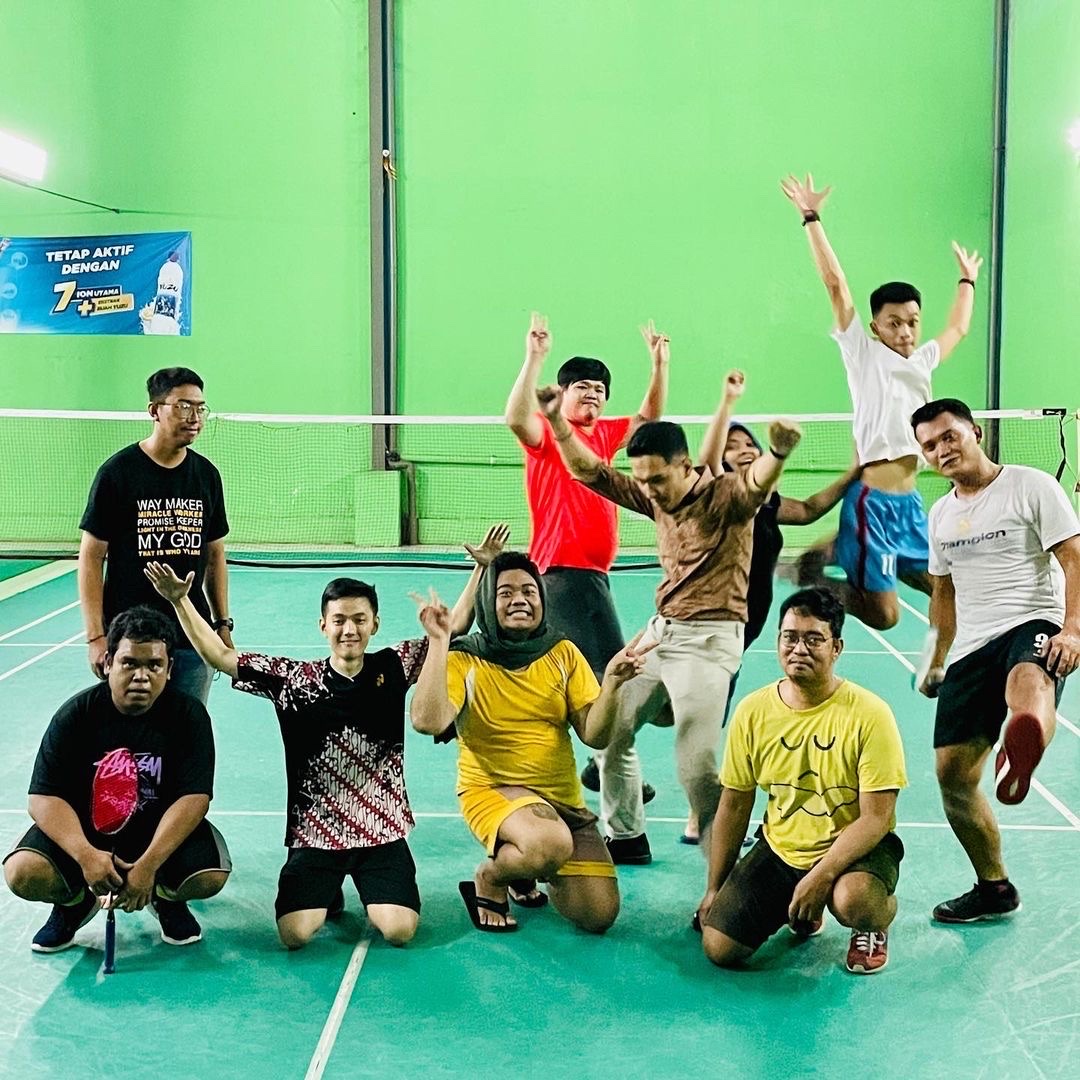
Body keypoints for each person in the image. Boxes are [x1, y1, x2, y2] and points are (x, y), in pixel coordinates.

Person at [144, 527, 506, 949]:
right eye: (339, 620)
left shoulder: (394, 665)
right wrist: (180, 601)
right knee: (295, 935)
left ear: (375, 624)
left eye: (359, 620)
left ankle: (363, 888)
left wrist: (481, 569)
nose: (349, 629)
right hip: (316, 834)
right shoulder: (294, 680)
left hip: (381, 830)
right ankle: (326, 889)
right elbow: (220, 656)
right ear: (323, 626)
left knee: (399, 931)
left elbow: (452, 626)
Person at [541, 381, 801, 863]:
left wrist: (780, 452)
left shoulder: (725, 498)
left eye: (657, 479)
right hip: (663, 631)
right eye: (641, 479)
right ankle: (627, 837)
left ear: (686, 466)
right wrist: (557, 420)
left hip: (710, 641)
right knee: (609, 730)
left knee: (696, 766)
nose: (648, 489)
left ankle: (726, 869)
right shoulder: (655, 494)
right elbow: (589, 470)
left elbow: (756, 483)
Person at [410, 551, 654, 932]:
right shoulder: (466, 658)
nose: (519, 599)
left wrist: (612, 684)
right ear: (487, 603)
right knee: (548, 843)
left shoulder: (562, 652)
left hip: (561, 801)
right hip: (494, 790)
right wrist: (439, 642)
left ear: (542, 599)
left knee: (599, 914)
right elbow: (427, 721)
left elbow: (595, 734)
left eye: (529, 591)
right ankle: (492, 876)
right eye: (505, 593)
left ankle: (524, 868)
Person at [781, 173, 983, 630]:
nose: (905, 331)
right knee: (885, 617)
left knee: (946, 588)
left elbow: (958, 328)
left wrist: (967, 280)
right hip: (871, 502)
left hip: (909, 503)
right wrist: (811, 217)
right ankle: (818, 577)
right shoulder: (862, 353)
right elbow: (835, 284)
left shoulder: (923, 360)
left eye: (912, 321)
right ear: (875, 327)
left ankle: (843, 550)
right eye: (894, 323)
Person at [912, 398, 1080, 922]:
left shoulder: (1031, 486)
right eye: (929, 446)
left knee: (1028, 680)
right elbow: (943, 593)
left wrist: (1074, 629)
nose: (942, 450)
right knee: (952, 776)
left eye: (949, 436)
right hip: (971, 645)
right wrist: (935, 657)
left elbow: (1073, 557)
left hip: (1034, 619)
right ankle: (994, 888)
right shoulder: (940, 514)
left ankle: (1021, 744)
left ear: (975, 432)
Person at [679, 372, 861, 844]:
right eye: (732, 444)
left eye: (749, 444)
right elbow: (706, 463)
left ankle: (624, 753)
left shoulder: (766, 501)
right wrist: (727, 401)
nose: (743, 449)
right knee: (707, 715)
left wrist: (854, 472)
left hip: (747, 624)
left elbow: (812, 508)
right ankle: (700, 814)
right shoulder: (715, 495)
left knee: (707, 711)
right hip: (716, 620)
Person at [697, 588, 906, 974]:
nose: (799, 649)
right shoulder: (753, 712)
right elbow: (734, 805)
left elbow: (876, 818)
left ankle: (874, 923)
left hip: (855, 850)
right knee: (719, 947)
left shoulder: (870, 714)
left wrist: (820, 877)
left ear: (836, 647)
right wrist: (715, 888)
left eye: (813, 639)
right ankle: (798, 906)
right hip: (782, 847)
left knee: (854, 900)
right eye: (790, 637)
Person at [506, 313, 667, 813]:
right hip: (561, 574)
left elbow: (647, 421)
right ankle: (600, 767)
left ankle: (603, 761)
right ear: (562, 394)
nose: (593, 395)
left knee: (609, 680)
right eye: (582, 387)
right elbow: (515, 417)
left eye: (599, 390)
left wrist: (658, 365)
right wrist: (534, 357)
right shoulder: (549, 434)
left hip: (594, 578)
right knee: (601, 681)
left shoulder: (602, 436)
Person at [3, 606, 230, 953]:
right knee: (23, 871)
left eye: (154, 665)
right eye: (129, 663)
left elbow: (194, 798)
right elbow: (43, 798)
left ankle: (164, 898)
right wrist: (85, 856)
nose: (142, 676)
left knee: (209, 874)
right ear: (109, 663)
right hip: (87, 831)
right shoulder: (76, 715)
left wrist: (148, 866)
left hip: (154, 830)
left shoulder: (188, 716)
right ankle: (74, 903)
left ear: (169, 669)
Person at [78, 366, 230, 704]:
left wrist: (222, 624)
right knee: (131, 729)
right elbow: (91, 557)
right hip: (130, 640)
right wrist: (96, 637)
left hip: (193, 638)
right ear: (154, 410)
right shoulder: (117, 473)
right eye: (183, 406)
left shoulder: (206, 475)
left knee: (188, 726)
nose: (194, 417)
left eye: (200, 407)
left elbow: (215, 556)